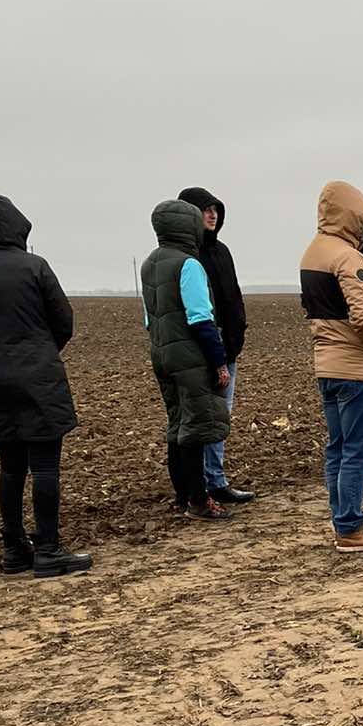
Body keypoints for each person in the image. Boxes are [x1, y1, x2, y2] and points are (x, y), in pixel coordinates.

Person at [299, 181, 363, 552]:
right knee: (359, 451)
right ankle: (351, 528)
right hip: (357, 368)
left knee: (339, 449)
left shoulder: (313, 253)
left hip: (327, 365)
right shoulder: (348, 257)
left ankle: (344, 518)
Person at [0, 195, 90, 576]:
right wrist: (43, 351)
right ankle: (48, 550)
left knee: (10, 467)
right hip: (38, 378)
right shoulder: (35, 266)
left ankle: (14, 550)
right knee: (45, 466)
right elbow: (63, 320)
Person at [142, 196, 233, 523]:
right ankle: (198, 500)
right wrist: (219, 361)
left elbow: (149, 318)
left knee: (177, 424)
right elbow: (200, 318)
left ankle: (182, 496)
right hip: (190, 356)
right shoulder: (189, 264)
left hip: (162, 353)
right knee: (195, 428)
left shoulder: (149, 263)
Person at [177, 186, 253, 506]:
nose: (213, 215)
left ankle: (216, 480)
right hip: (199, 351)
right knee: (199, 420)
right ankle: (196, 488)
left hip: (226, 348)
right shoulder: (186, 256)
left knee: (221, 417)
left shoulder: (222, 251)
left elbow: (232, 296)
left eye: (216, 209)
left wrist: (236, 334)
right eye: (206, 210)